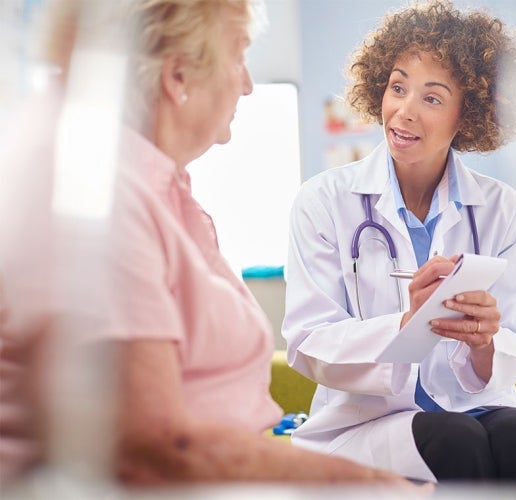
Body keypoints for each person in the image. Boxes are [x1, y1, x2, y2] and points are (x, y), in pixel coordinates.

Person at [0, 0, 423, 489]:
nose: (246, 83)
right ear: (178, 77)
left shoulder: (157, 187)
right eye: (239, 54)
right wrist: (372, 485)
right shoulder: (94, 191)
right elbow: (155, 450)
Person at [282, 0, 516, 490]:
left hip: (474, 402)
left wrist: (484, 342)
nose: (404, 111)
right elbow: (309, 343)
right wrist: (403, 324)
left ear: (472, 114)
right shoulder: (323, 201)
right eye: (397, 87)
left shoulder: (502, 209)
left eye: (432, 99)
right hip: (365, 421)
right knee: (456, 439)